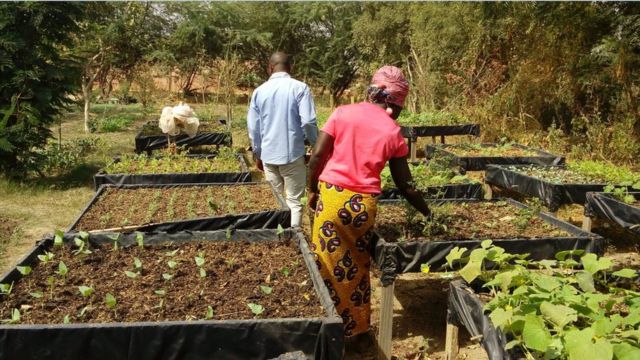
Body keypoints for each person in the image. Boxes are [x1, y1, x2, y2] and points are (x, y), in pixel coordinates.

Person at [306, 66, 431, 341]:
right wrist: (428, 212)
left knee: (325, 262)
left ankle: (325, 327)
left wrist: (312, 190)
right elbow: (406, 185)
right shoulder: (392, 131)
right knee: (356, 266)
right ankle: (355, 329)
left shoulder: (342, 112)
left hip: (331, 198)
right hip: (361, 206)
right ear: (395, 102)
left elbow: (316, 157)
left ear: (372, 91)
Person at [247, 52, 318, 227]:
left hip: (269, 155)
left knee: (276, 199)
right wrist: (316, 145)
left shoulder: (259, 91)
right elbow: (308, 121)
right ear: (290, 68)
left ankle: (278, 238)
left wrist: (258, 154)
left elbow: (254, 128)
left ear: (270, 68)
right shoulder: (300, 88)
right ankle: (295, 239)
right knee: (294, 201)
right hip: (293, 155)